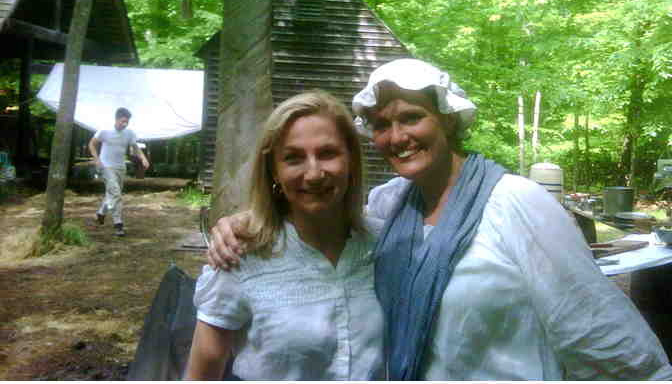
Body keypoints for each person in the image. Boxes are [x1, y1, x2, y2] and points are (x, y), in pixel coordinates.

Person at [207, 58, 672, 380]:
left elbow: (592, 324)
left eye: (412, 117)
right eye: (382, 125)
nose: (397, 137)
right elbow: (319, 216)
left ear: (448, 118)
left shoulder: (517, 203)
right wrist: (244, 223)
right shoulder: (391, 207)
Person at [184, 91, 384, 380]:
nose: (313, 174)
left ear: (351, 160)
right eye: (293, 158)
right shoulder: (241, 254)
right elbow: (202, 372)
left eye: (327, 153)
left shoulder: (383, 243)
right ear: (273, 171)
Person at [88, 107, 149, 237]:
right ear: (116, 119)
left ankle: (100, 214)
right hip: (106, 166)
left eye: (127, 122)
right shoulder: (104, 131)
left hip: (121, 168)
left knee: (112, 194)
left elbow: (135, 147)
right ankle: (118, 224)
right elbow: (92, 144)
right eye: (123, 121)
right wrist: (96, 159)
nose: (125, 124)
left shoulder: (129, 133)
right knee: (116, 193)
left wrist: (143, 158)